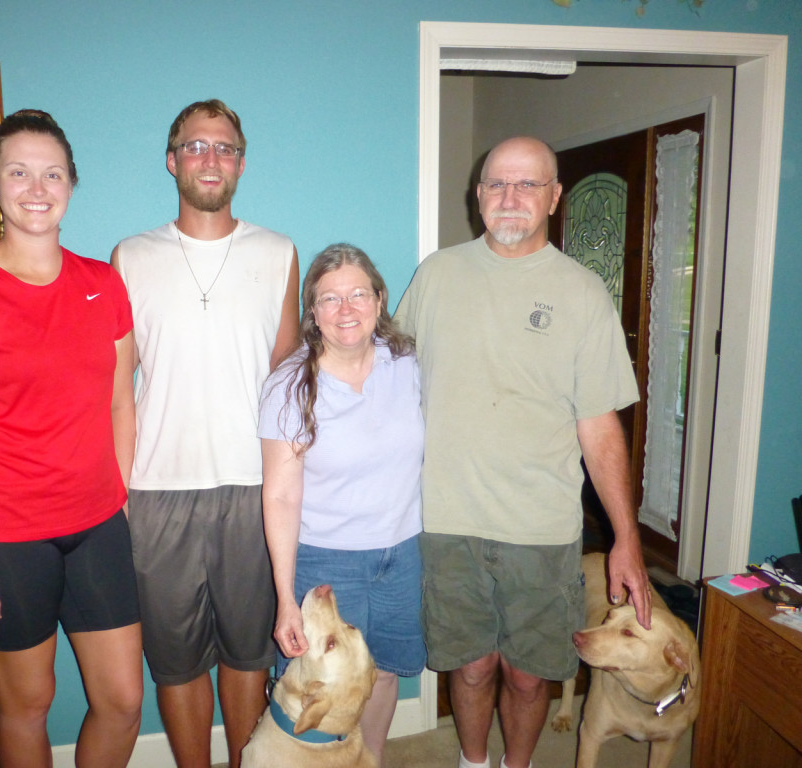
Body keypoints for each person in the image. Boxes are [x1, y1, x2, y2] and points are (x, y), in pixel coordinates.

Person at [394, 136, 652, 768]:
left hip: (541, 528)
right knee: (473, 667)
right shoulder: (436, 274)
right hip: (447, 521)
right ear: (477, 195)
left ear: (555, 196)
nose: (509, 198)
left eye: (527, 185)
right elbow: (390, 379)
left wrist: (626, 538)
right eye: (496, 185)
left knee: (530, 675)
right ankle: (473, 762)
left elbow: (600, 427)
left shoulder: (583, 292)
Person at [0, 109, 142, 768]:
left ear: (71, 184)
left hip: (98, 524)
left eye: (51, 173)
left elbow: (122, 402)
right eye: (18, 171)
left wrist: (119, 493)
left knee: (125, 699)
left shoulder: (103, 285)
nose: (36, 188)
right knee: (28, 703)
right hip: (6, 537)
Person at [111, 99, 300, 768]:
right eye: (196, 146)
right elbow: (118, 392)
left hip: (251, 491)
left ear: (241, 164)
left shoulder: (278, 253)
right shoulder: (130, 256)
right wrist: (121, 495)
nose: (210, 159)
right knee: (176, 661)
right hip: (157, 492)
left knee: (248, 653)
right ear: (173, 161)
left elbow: (286, 381)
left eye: (224, 148)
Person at [259, 243, 426, 765]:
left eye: (358, 294)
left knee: (382, 673)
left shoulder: (409, 366)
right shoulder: (290, 386)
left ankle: (368, 758)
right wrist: (287, 597)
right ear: (313, 312)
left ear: (380, 300)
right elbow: (281, 495)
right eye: (330, 299)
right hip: (327, 562)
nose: (346, 309)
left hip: (401, 553)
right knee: (319, 685)